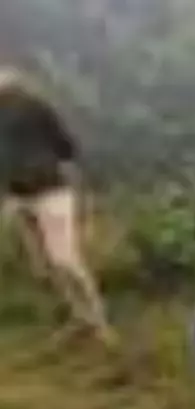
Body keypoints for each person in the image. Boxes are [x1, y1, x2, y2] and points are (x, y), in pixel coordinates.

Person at [0, 69, 115, 346]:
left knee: (64, 259)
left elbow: (66, 144)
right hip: (18, 195)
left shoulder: (34, 106)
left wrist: (68, 173)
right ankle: (79, 318)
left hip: (50, 190)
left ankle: (100, 322)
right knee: (45, 266)